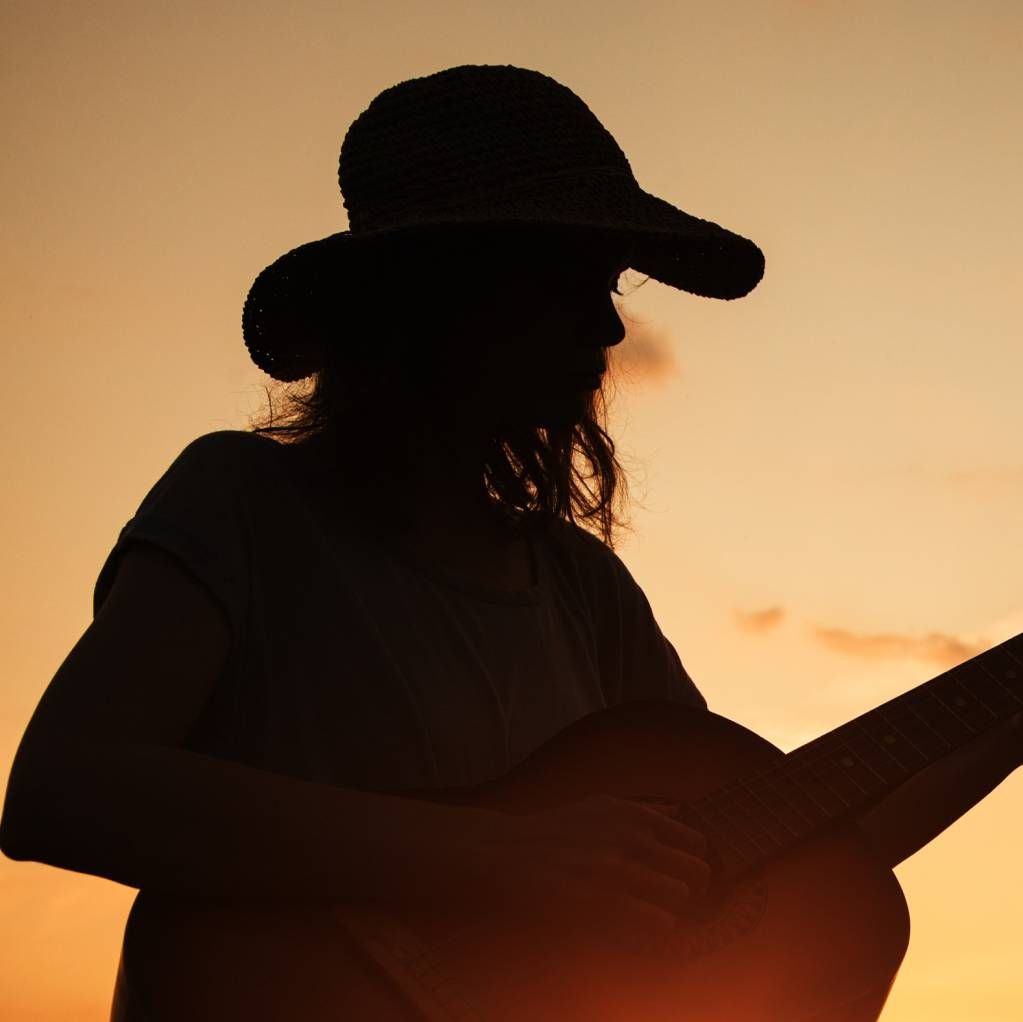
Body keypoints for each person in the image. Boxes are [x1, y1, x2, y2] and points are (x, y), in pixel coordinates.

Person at [1, 63, 1020, 1021]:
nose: (609, 329)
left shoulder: (584, 592)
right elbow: (62, 785)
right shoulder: (244, 501)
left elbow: (761, 848)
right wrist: (493, 855)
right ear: (451, 292)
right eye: (575, 283)